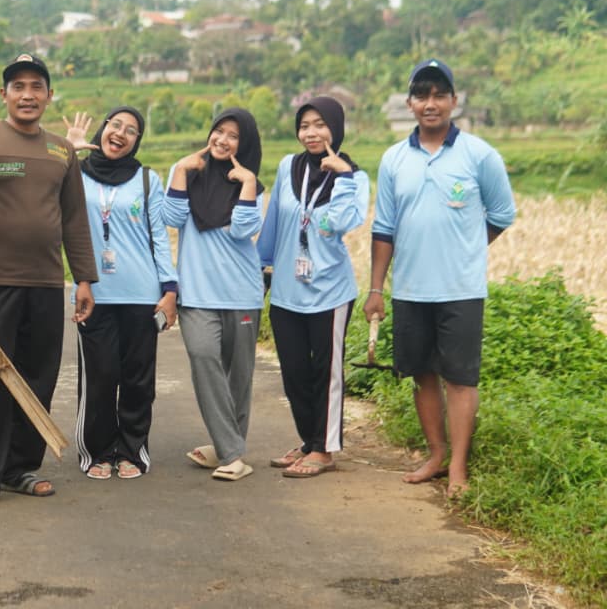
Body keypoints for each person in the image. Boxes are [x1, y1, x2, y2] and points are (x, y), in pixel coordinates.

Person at [0, 53, 97, 512]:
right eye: (18, 87)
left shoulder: (61, 151)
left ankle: (20, 468)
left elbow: (74, 219)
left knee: (39, 376)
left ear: (49, 95)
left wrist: (83, 279)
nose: (27, 95)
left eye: (36, 87)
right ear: (4, 94)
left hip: (48, 284)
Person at [363, 60, 515, 497]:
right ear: (410, 103)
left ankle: (459, 469)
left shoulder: (479, 155)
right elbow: (384, 227)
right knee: (422, 376)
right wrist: (376, 288)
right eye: (422, 96)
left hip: (461, 290)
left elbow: (502, 214)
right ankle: (436, 454)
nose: (431, 104)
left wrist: (467, 247)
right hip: (410, 289)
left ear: (454, 101)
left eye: (439, 95)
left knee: (461, 379)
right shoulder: (394, 159)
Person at [258, 97, 369, 478]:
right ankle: (308, 441)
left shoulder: (355, 177)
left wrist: (342, 176)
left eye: (320, 124)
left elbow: (339, 222)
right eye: (305, 125)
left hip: (330, 292)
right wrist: (262, 268)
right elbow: (274, 220)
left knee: (325, 372)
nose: (311, 133)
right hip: (288, 290)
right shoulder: (289, 166)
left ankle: (325, 449)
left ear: (335, 128)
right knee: (293, 372)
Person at [65, 106, 178, 480]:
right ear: (103, 129)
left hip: (142, 295)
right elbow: (46, 195)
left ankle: (131, 450)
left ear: (136, 142)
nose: (121, 134)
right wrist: (72, 151)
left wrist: (169, 289)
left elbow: (159, 237)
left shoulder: (147, 179)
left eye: (131, 131)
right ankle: (96, 452)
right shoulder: (75, 174)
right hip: (93, 293)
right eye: (115, 125)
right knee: (99, 377)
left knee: (137, 380)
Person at [163, 108, 264, 482]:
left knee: (239, 377)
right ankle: (233, 452)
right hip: (197, 295)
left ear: (246, 143)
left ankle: (224, 448)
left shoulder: (250, 184)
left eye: (233, 135)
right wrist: (178, 172)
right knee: (204, 358)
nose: (223, 140)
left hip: (242, 295)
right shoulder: (190, 174)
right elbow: (170, 219)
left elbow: (243, 230)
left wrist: (248, 185)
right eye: (218, 131)